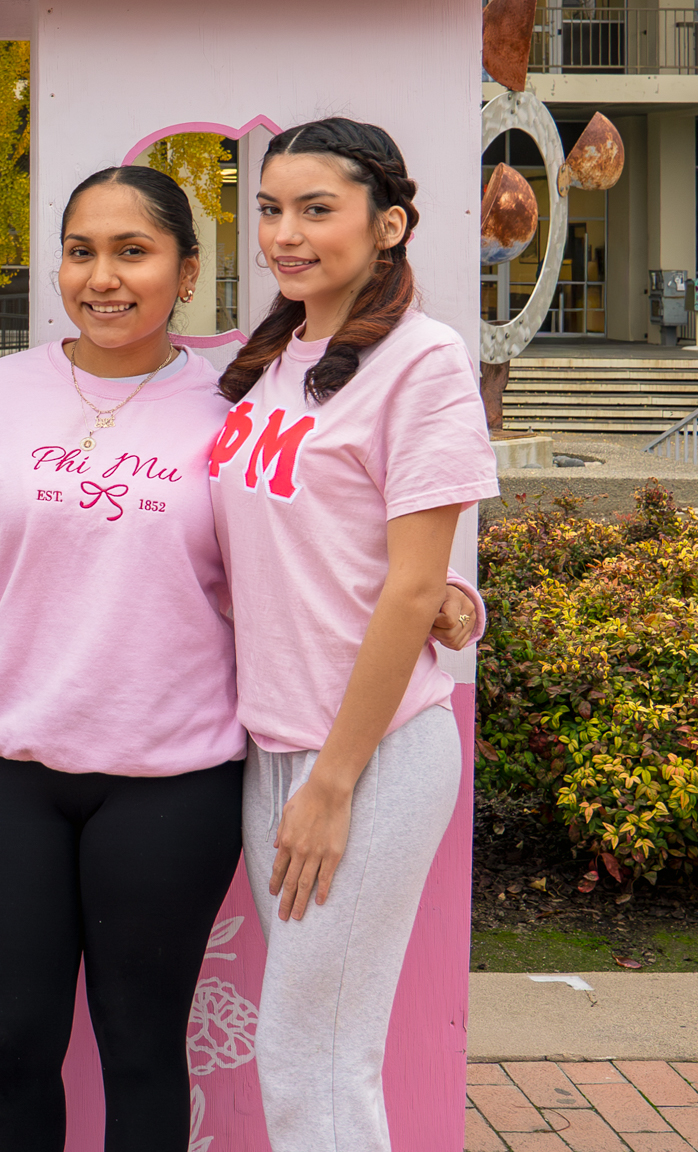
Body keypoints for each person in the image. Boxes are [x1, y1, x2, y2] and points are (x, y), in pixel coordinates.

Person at [0, 165, 482, 1151]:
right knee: (11, 1043)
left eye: (133, 252)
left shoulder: (233, 406)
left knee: (139, 1048)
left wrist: (443, 597)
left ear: (186, 270)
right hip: (13, 770)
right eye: (80, 252)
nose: (102, 277)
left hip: (172, 778)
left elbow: (299, 545)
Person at [209, 118, 499, 1151]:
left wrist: (332, 782)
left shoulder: (421, 362)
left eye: (315, 210)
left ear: (388, 224)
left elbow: (413, 584)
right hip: (270, 745)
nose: (285, 234)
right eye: (270, 209)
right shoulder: (275, 359)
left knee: (311, 1053)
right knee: (307, 1045)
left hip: (366, 754)